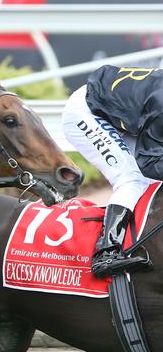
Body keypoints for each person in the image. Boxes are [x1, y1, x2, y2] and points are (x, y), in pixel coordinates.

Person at [62, 65, 162, 278]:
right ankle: (106, 252)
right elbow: (149, 161)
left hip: (124, 112)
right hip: (86, 111)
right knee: (132, 178)